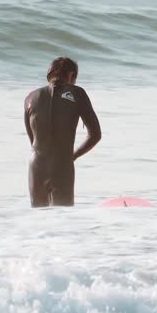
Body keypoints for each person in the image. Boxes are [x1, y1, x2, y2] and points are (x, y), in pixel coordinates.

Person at [24, 57, 101, 207]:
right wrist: (73, 156)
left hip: (36, 165)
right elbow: (95, 135)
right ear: (71, 75)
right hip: (62, 165)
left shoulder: (30, 98)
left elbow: (32, 140)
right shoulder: (77, 93)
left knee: (37, 219)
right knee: (63, 221)